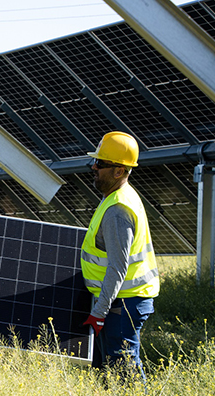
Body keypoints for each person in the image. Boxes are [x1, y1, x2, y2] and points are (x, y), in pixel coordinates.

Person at [80, 132, 160, 380]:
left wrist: (99, 312)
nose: (94, 167)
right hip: (121, 300)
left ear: (118, 171)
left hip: (124, 302)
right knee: (109, 368)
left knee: (124, 369)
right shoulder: (116, 197)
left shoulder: (117, 209)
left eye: (100, 164)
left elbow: (117, 267)